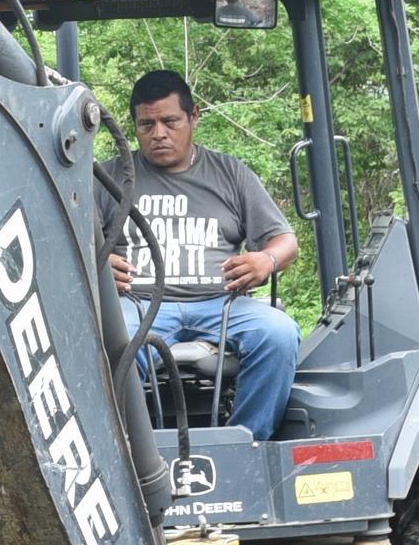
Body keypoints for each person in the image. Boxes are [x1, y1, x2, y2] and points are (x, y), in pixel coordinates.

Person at [99, 65, 302, 438]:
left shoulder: (230, 174)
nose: (158, 133)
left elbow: (285, 241)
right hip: (138, 305)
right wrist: (96, 262)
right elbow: (64, 244)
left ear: (193, 117)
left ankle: (246, 441)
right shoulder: (109, 178)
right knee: (112, 342)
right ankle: (131, 451)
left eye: (170, 121)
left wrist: (266, 259)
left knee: (279, 333)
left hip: (222, 305)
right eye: (146, 124)